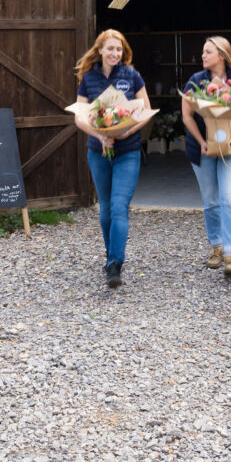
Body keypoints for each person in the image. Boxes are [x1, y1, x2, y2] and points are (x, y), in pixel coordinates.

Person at [74, 29, 150, 289]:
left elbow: (145, 110)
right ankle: (110, 255)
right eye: (110, 49)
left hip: (127, 151)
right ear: (100, 50)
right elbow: (80, 116)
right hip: (98, 153)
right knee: (105, 207)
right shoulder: (89, 78)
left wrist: (126, 131)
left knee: (119, 206)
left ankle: (115, 263)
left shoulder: (132, 75)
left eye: (119, 49)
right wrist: (100, 135)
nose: (115, 53)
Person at [181, 36, 231, 277]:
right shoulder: (196, 81)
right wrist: (202, 141)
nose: (202, 56)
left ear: (222, 55)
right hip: (202, 148)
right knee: (211, 200)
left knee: (229, 197)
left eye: (207, 52)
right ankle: (217, 246)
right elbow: (187, 116)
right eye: (203, 52)